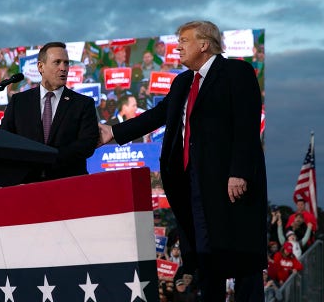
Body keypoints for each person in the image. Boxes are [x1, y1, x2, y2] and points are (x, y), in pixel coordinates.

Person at [98, 20, 267, 301]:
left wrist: (238, 172)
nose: (177, 46)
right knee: (206, 256)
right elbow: (157, 115)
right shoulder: (182, 82)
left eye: (184, 41)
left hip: (229, 183)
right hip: (193, 183)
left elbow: (247, 125)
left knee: (242, 257)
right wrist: (114, 132)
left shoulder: (237, 72)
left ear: (204, 44)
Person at [0, 42, 99, 182]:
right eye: (57, 62)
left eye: (66, 63)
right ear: (41, 67)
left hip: (69, 184)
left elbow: (87, 144)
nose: (63, 68)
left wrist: (50, 157)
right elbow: (5, 139)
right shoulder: (19, 102)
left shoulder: (83, 104)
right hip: (26, 185)